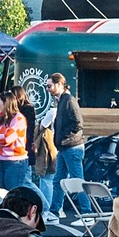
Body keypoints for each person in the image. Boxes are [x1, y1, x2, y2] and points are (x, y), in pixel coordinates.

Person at [46, 73, 92, 220]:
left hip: (71, 146)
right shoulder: (63, 100)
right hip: (66, 147)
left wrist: (65, 137)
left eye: (49, 86)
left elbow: (78, 123)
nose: (48, 89)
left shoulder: (69, 101)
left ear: (59, 84)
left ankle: (87, 212)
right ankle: (54, 211)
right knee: (59, 180)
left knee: (76, 180)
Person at [0, 85, 32, 192]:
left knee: (13, 192)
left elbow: (7, 139)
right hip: (0, 160)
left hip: (15, 162)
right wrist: (0, 138)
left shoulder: (19, 119)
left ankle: (43, 206)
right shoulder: (0, 120)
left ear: (6, 104)